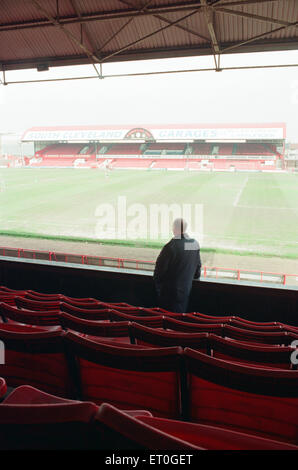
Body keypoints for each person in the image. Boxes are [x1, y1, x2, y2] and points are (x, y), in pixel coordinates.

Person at [153, 218, 201, 313]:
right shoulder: (194, 244)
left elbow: (159, 272)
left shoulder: (171, 246)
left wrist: (159, 288)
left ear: (175, 229)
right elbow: (197, 271)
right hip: (185, 292)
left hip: (168, 296)